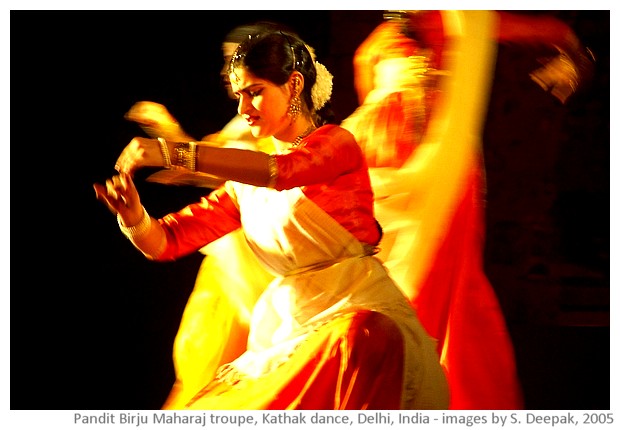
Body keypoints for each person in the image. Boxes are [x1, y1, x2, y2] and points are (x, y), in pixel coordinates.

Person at [94, 29, 449, 409]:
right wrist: (134, 216)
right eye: (238, 96)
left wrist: (173, 152)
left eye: (255, 91)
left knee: (356, 338)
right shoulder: (243, 185)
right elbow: (166, 242)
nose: (243, 109)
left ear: (294, 85)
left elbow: (284, 171)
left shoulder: (336, 145)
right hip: (291, 327)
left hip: (358, 314)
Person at [341, 10, 594, 409]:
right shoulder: (375, 44)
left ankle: (440, 392)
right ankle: (386, 387)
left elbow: (540, 30)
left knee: (440, 279)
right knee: (380, 281)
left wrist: (572, 55)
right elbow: (365, 102)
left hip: (440, 165)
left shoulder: (454, 18)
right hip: (382, 168)